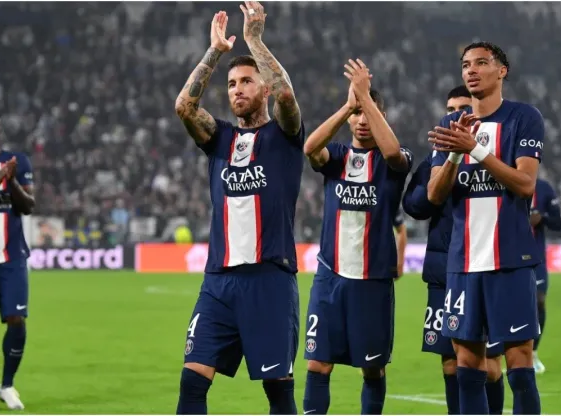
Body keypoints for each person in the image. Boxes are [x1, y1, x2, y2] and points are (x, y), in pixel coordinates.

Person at [173, 3, 304, 414]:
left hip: (270, 279)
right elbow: (184, 107)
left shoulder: (284, 135)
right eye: (231, 84)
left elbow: (285, 92)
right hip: (219, 283)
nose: (236, 90)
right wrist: (215, 52)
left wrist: (254, 41)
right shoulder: (220, 139)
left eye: (246, 81)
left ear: (262, 89)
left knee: (277, 391)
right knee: (191, 384)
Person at [426, 41, 544, 415]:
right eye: (465, 65)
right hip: (462, 263)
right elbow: (434, 194)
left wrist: (474, 149)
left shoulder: (524, 118)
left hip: (509, 258)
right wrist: (456, 154)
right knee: (468, 365)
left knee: (519, 363)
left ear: (502, 70)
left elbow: (525, 184)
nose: (471, 70)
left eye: (481, 63)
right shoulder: (449, 126)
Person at [301, 59, 413, 415]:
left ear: (381, 116)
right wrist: (350, 103)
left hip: (373, 280)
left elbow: (393, 153)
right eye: (358, 115)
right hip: (330, 275)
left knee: (371, 367)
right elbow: (309, 148)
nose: (362, 120)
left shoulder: (395, 160)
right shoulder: (337, 157)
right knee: (318, 364)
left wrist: (365, 97)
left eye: (370, 113)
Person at [403, 85, 505, 415]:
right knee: (449, 362)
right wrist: (443, 178)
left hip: (485, 268)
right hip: (443, 272)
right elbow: (415, 205)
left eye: (463, 108)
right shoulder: (434, 160)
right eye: (450, 109)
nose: (455, 116)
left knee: (488, 363)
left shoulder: (495, 154)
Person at [0, 110, 36, 411]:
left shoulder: (18, 161)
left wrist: (11, 181)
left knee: (16, 319)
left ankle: (7, 385)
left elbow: (28, 206)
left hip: (12, 256)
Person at [529, 178, 561, 374]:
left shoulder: (543, 188)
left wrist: (542, 218)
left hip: (536, 257)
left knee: (539, 301)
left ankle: (533, 352)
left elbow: (558, 224)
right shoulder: (502, 180)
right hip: (507, 254)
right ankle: (499, 352)